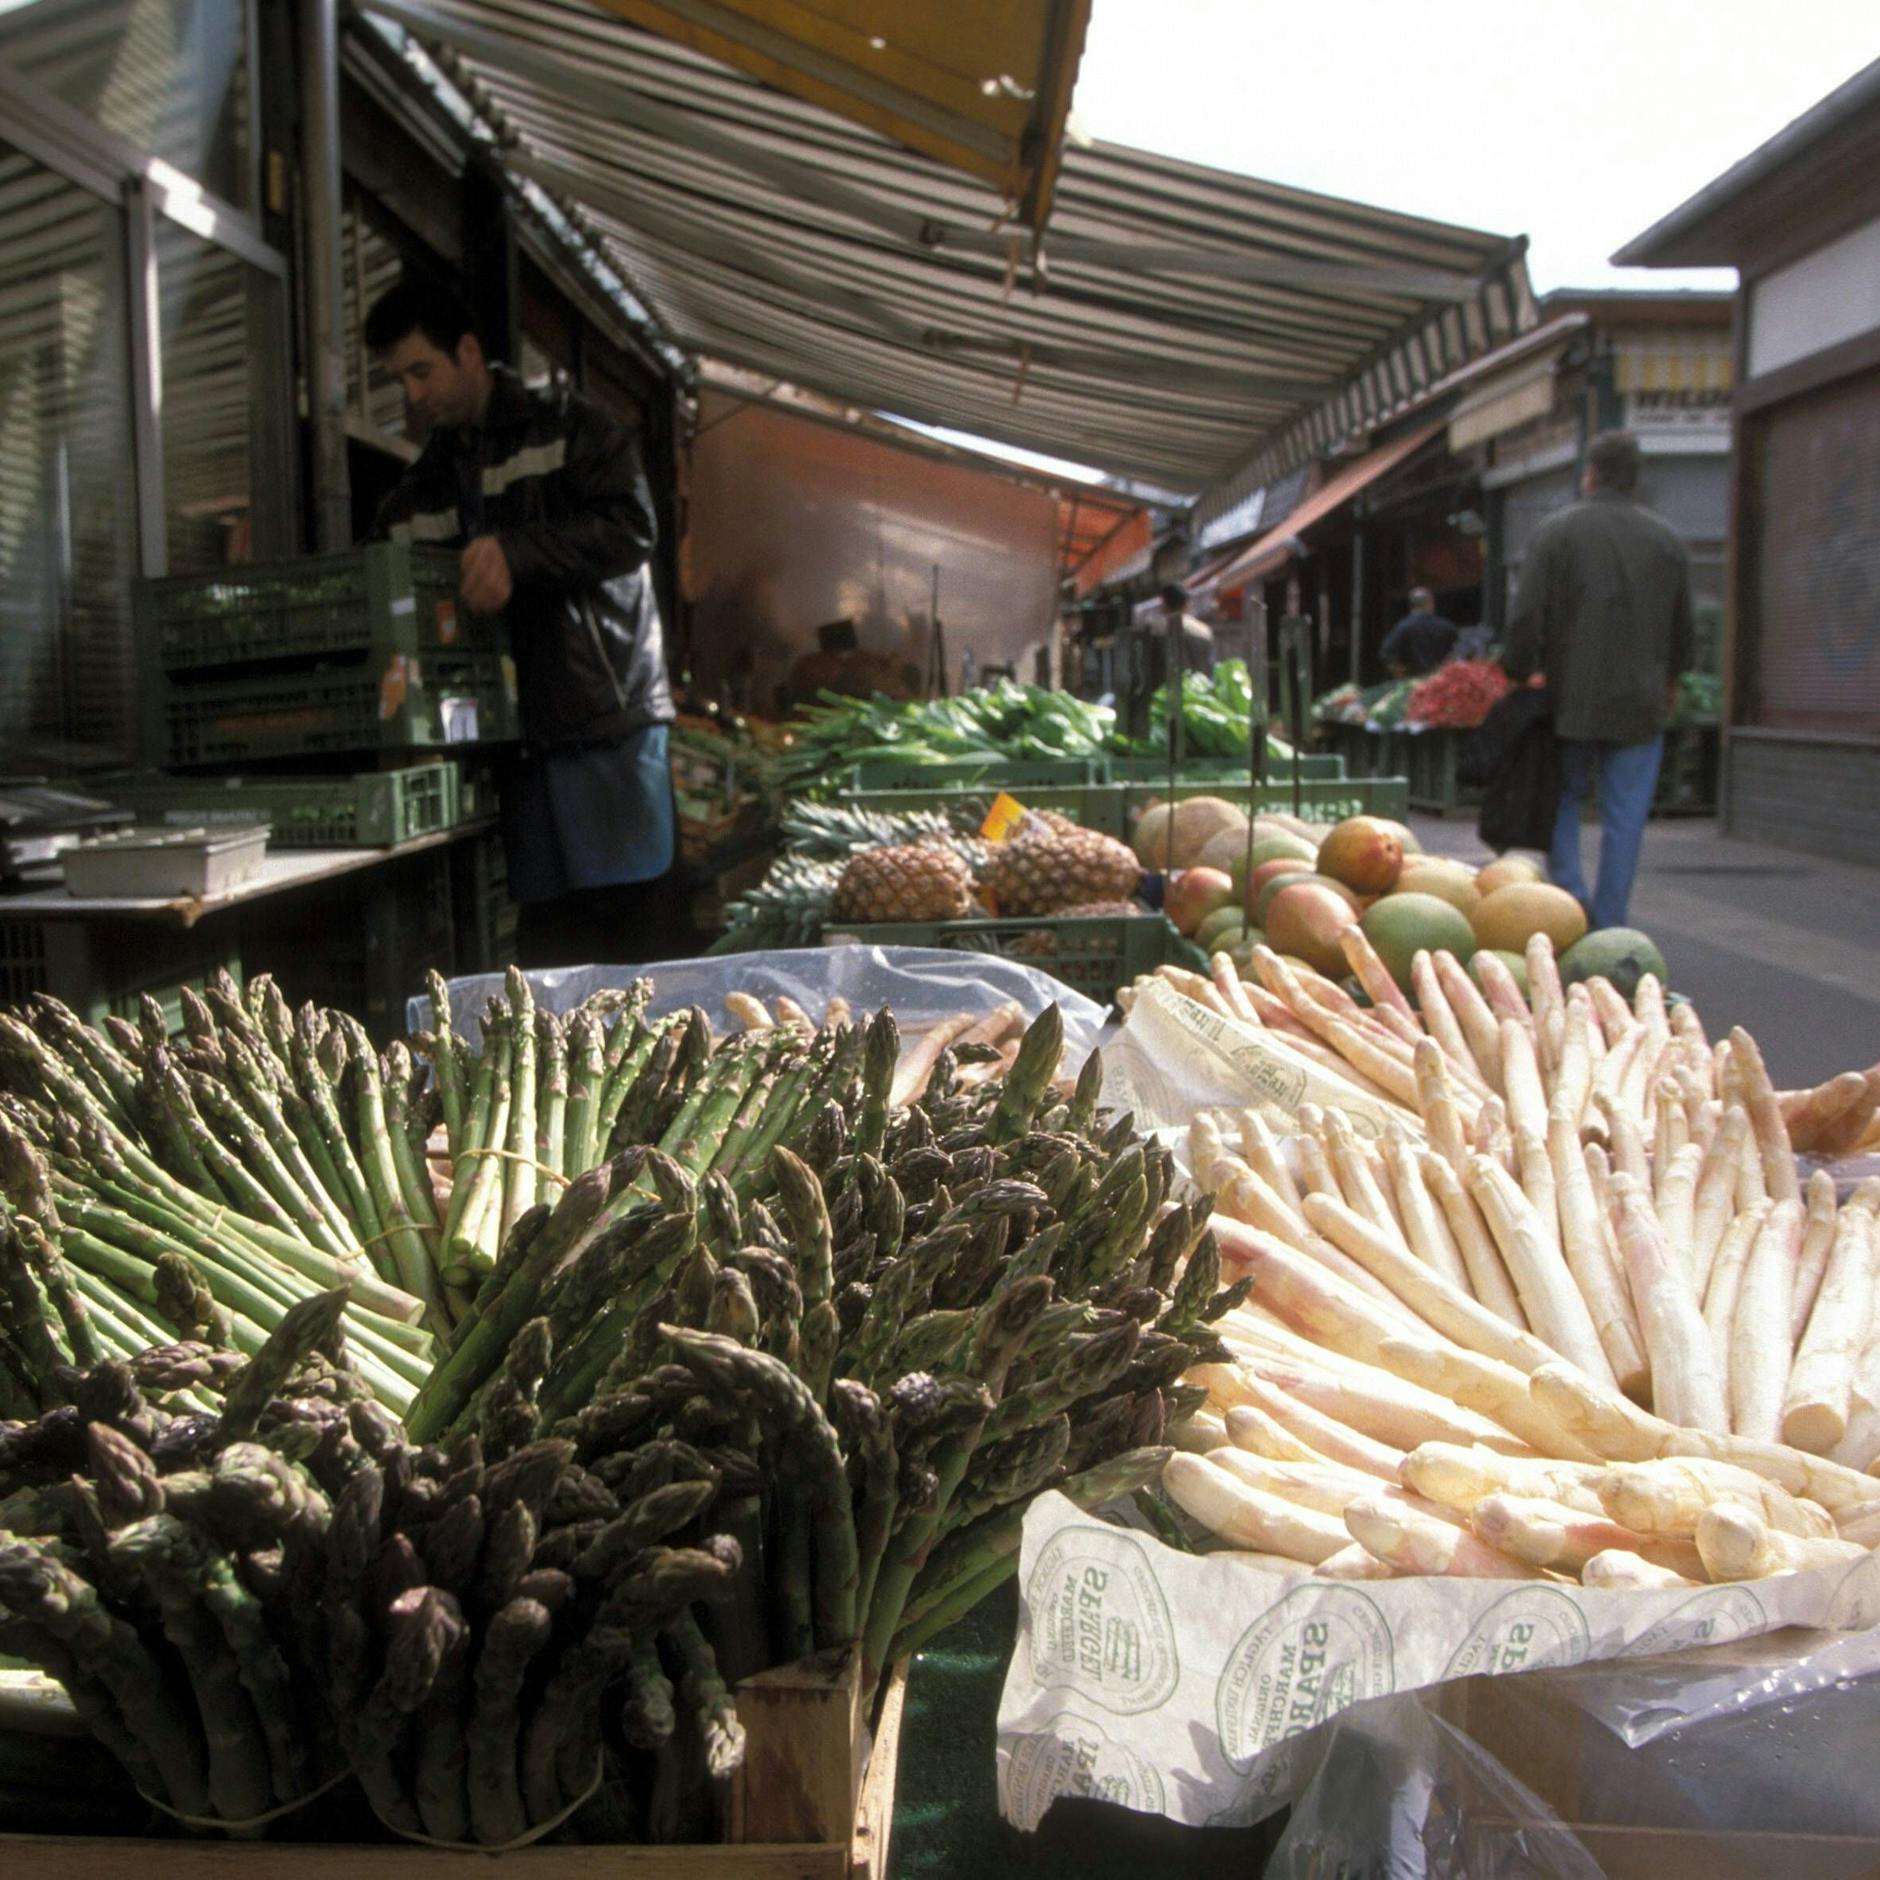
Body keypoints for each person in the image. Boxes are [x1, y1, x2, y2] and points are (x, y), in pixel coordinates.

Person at [362, 279, 678, 970]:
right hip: (522, 743)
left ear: (469, 352)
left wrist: (517, 553)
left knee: (633, 944)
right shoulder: (427, 487)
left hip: (607, 725)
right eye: (400, 380)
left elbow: (634, 528)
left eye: (423, 370)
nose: (414, 395)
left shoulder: (571, 428)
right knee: (550, 954)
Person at [1503, 429, 1693, 930]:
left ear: (1590, 473)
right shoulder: (1667, 541)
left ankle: (1569, 902)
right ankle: (1610, 921)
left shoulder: (1556, 532)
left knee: (1562, 798)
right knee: (1625, 817)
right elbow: (1683, 627)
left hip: (1569, 698)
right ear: (1634, 479)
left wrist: (1521, 670)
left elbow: (1526, 617)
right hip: (1641, 702)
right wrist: (1671, 679)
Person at [1379, 586, 1458, 677]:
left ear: (1410, 605)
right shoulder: (1446, 627)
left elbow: (1386, 653)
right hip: (1440, 681)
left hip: (1414, 681)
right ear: (1430, 603)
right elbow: (1459, 651)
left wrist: (1399, 671)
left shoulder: (1403, 627)